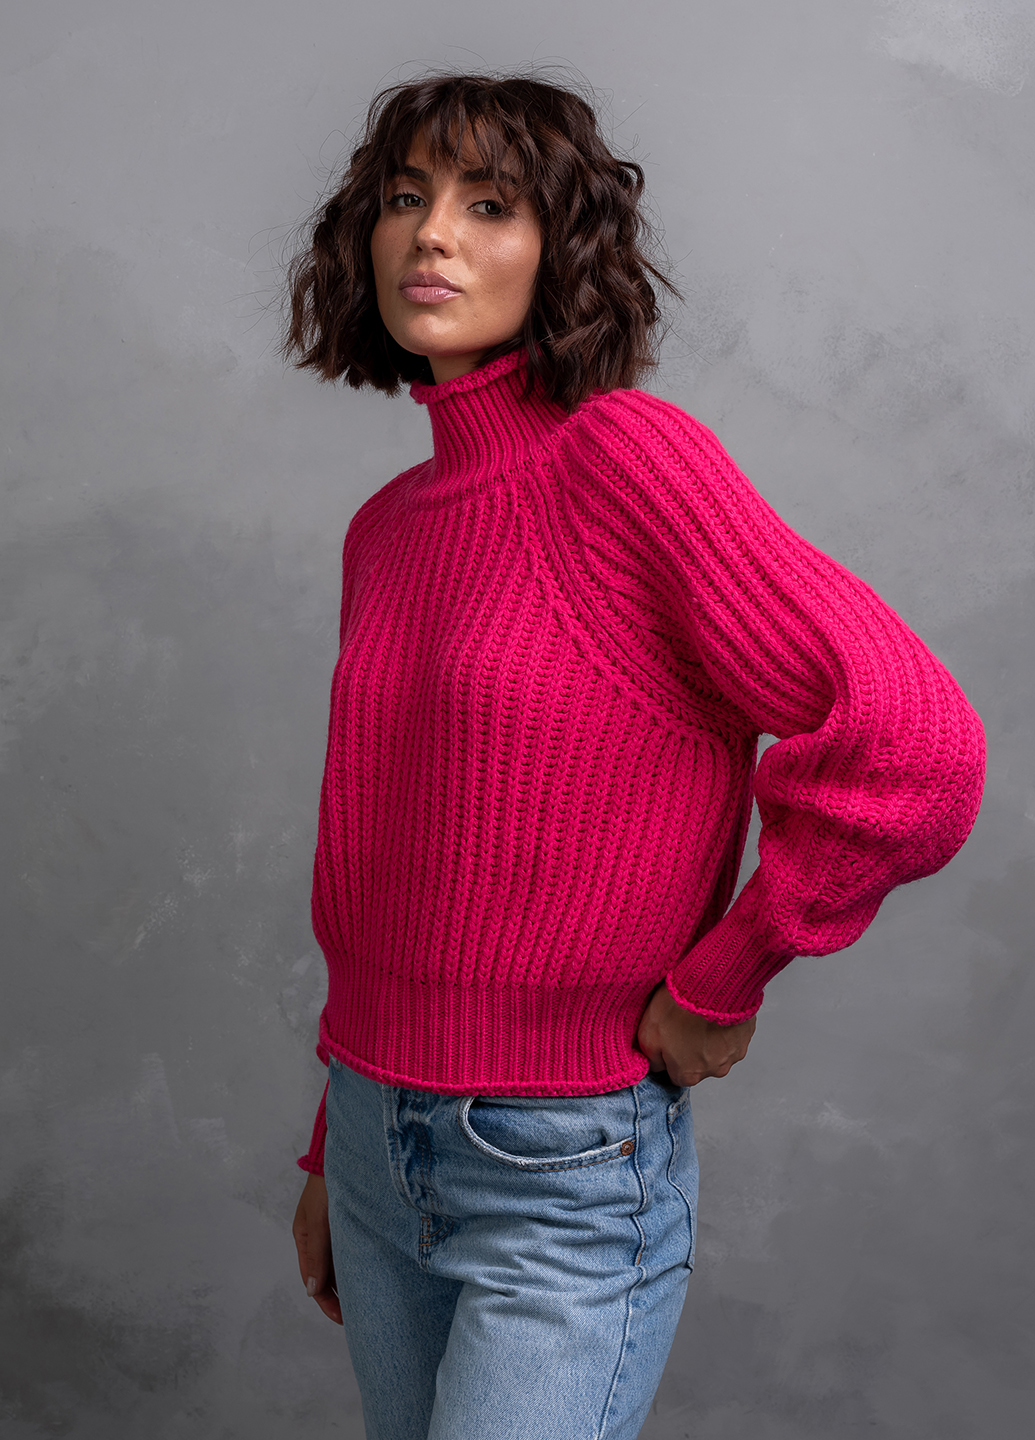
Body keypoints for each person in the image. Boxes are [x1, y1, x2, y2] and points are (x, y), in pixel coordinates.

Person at [282, 70, 985, 1440]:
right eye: (406, 198)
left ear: (564, 248)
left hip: (560, 1166)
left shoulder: (623, 464)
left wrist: (732, 971)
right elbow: (395, 865)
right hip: (372, 1134)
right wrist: (334, 1146)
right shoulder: (391, 527)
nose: (433, 235)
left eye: (491, 205)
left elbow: (917, 744)